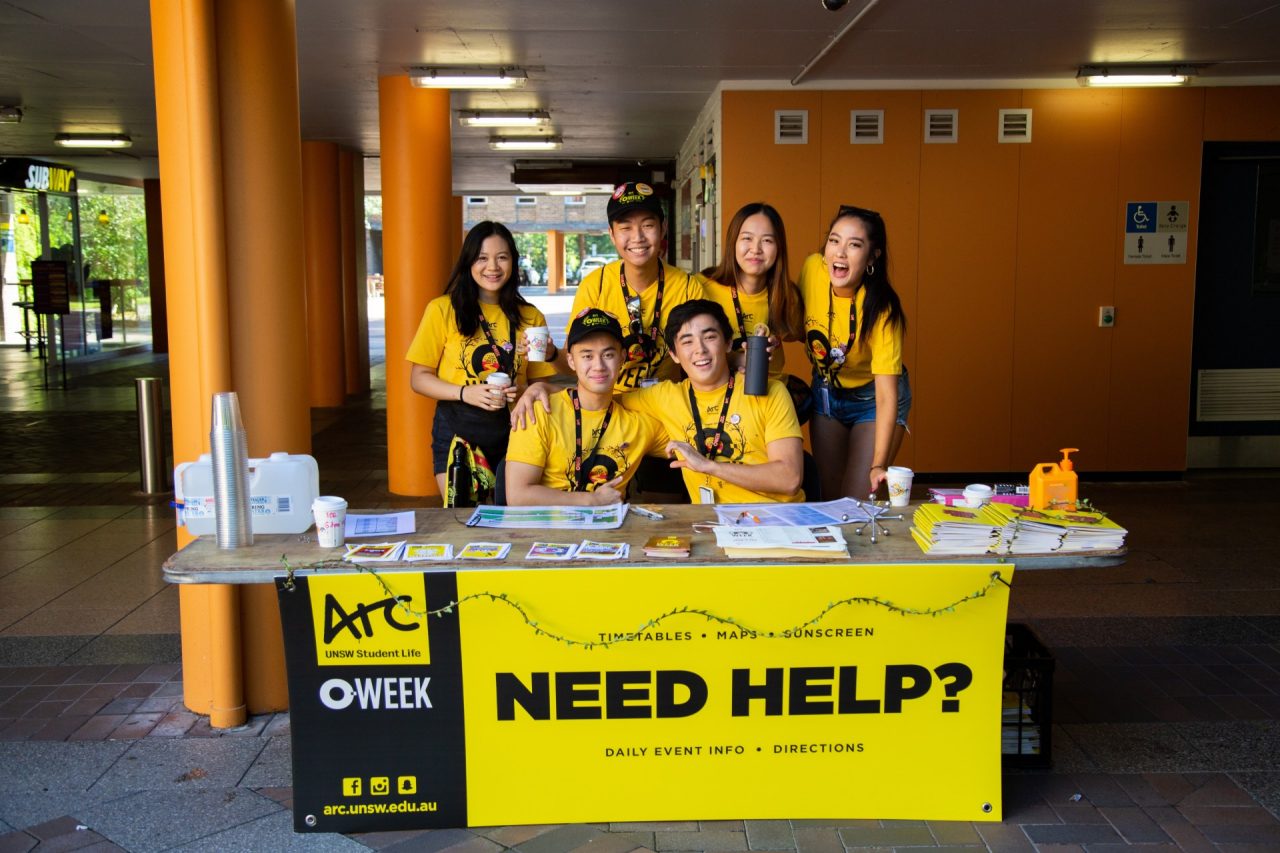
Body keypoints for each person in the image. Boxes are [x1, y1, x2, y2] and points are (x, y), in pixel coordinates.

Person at [406, 221, 558, 497]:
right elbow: (418, 379)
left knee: (509, 519)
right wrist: (465, 393)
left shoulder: (530, 317)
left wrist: (524, 390)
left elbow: (542, 386)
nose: (493, 267)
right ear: (468, 262)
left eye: (502, 257)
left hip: (517, 430)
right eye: (482, 258)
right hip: (457, 432)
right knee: (464, 518)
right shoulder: (442, 310)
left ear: (513, 261)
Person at [620, 300, 804, 504]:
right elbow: (603, 402)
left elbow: (789, 479)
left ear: (727, 343)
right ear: (673, 354)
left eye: (709, 337)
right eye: (687, 342)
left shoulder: (771, 391)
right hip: (712, 524)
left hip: (777, 522)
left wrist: (708, 466)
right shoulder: (666, 397)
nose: (700, 349)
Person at [797, 205, 910, 501]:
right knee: (830, 500)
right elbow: (800, 326)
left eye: (854, 245)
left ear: (873, 256)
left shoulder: (883, 310)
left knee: (857, 503)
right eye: (834, 241)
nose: (840, 253)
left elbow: (887, 395)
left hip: (873, 399)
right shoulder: (812, 269)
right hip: (826, 392)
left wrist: (878, 465)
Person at [505, 309, 666, 506]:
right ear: (571, 361)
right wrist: (591, 500)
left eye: (608, 355)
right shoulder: (538, 411)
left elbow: (691, 444)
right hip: (547, 532)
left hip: (609, 533)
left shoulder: (640, 423)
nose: (598, 366)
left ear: (622, 358)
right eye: (587, 356)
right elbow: (517, 496)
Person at [563, 182, 705, 392]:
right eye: (625, 228)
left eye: (648, 225)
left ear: (663, 228)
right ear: (611, 234)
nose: (638, 237)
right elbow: (574, 358)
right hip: (610, 404)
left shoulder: (687, 287)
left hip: (665, 406)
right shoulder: (596, 285)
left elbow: (705, 353)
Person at [700, 202, 804, 378]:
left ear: (779, 248)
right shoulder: (702, 288)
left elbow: (799, 333)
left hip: (771, 398)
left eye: (767, 240)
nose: (756, 249)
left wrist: (774, 343)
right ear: (733, 242)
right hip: (718, 400)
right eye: (747, 238)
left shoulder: (786, 295)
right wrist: (736, 359)